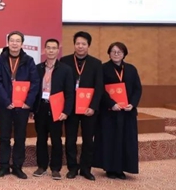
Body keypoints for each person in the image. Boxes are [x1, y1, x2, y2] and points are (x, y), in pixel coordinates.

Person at [0, 31, 39, 179]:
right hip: (5, 105)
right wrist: (6, 101)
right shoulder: (0, 60)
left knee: (20, 137)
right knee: (4, 137)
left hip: (22, 106)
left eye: (18, 41)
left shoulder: (29, 60)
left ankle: (18, 166)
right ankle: (4, 166)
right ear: (8, 42)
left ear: (22, 44)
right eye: (12, 40)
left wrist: (28, 102)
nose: (14, 43)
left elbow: (35, 82)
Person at [94, 42, 142, 180]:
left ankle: (121, 168)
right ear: (109, 53)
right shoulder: (102, 68)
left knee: (125, 140)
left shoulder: (131, 69)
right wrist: (112, 103)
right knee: (109, 139)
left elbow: (137, 89)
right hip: (109, 111)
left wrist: (132, 104)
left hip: (127, 112)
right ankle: (110, 168)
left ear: (124, 54)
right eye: (113, 51)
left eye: (119, 52)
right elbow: (100, 89)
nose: (116, 54)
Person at [60, 31, 103, 181]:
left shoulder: (96, 63)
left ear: (88, 45)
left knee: (88, 140)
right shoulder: (64, 61)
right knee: (70, 139)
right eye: (77, 43)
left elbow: (99, 87)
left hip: (88, 109)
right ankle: (72, 168)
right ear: (74, 45)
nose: (80, 46)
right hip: (70, 108)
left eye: (83, 44)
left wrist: (93, 107)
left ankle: (86, 169)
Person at [32, 39, 74, 180]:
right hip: (41, 107)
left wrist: (66, 111)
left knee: (56, 139)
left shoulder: (65, 69)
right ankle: (41, 166)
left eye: (54, 48)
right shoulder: (37, 68)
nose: (51, 50)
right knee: (41, 138)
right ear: (44, 50)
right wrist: (32, 109)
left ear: (58, 50)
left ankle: (56, 168)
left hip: (57, 108)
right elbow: (33, 90)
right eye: (48, 48)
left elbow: (70, 93)